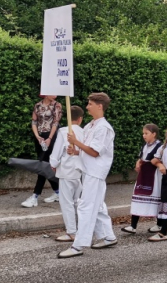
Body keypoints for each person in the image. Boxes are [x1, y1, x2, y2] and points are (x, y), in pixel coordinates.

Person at [58, 93, 117, 258]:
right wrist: (75, 150)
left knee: (85, 207)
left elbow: (95, 152)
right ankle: (108, 236)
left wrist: (76, 143)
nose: (87, 107)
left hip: (95, 172)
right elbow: (87, 149)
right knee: (96, 206)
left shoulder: (103, 127)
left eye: (90, 104)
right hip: (88, 170)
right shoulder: (91, 125)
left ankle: (78, 245)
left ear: (100, 106)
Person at [49, 106, 85, 242]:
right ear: (80, 119)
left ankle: (71, 232)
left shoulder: (64, 131)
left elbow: (57, 151)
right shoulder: (84, 132)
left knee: (67, 203)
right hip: (80, 170)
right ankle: (82, 228)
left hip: (66, 170)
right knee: (78, 202)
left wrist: (53, 164)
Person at [121, 124, 163, 235]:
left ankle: (159, 224)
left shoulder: (160, 146)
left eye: (146, 133)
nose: (144, 135)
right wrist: (138, 162)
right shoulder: (145, 145)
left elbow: (159, 160)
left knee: (157, 198)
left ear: (154, 134)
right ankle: (133, 226)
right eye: (143, 133)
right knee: (138, 196)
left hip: (154, 176)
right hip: (143, 175)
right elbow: (141, 157)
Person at [22, 95, 62, 207]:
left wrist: (49, 138)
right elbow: (34, 122)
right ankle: (58, 192)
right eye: (52, 92)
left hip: (51, 137)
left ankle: (35, 196)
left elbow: (55, 122)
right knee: (45, 165)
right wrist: (37, 136)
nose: (55, 94)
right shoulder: (38, 105)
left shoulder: (56, 105)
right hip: (39, 138)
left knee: (43, 165)